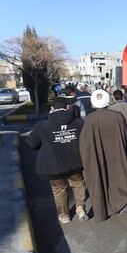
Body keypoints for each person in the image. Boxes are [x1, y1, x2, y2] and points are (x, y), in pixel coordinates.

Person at [79, 89, 127, 222]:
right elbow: (125, 134)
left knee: (102, 179)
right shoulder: (117, 116)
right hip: (117, 153)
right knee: (119, 177)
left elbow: (85, 142)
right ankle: (123, 202)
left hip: (98, 155)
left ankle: (105, 205)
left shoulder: (90, 119)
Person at [26, 96, 88, 224]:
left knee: (59, 189)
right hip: (75, 163)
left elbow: (31, 143)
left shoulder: (43, 125)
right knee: (78, 183)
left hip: (54, 166)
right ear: (67, 107)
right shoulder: (79, 123)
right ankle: (80, 207)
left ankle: (64, 215)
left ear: (52, 109)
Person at [109, 90, 127, 172]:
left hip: (117, 131)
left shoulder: (111, 108)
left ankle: (121, 170)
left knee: (119, 150)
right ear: (122, 97)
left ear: (114, 98)